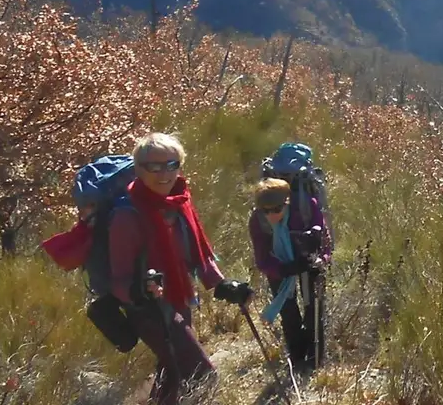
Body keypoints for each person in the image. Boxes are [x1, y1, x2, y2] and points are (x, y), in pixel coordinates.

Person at [110, 132, 253, 404]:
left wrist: (222, 284)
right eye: (155, 166)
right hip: (149, 310)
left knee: (172, 375)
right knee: (202, 374)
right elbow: (119, 277)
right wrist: (141, 290)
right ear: (139, 169)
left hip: (179, 300)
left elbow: (197, 250)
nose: (164, 173)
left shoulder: (180, 202)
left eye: (172, 164)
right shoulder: (126, 215)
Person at [249, 178, 328, 377]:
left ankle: (315, 358)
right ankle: (297, 357)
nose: (271, 215)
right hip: (280, 264)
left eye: (276, 209)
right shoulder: (257, 221)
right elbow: (262, 258)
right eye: (266, 211)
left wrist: (321, 259)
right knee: (288, 310)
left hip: (310, 261)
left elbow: (325, 239)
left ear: (287, 202)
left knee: (313, 308)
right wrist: (283, 269)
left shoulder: (306, 208)